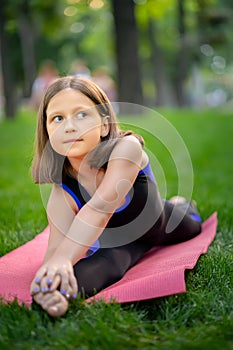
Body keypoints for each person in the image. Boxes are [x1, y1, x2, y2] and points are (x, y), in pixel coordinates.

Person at [30, 76, 202, 317]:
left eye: (81, 114)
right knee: (107, 265)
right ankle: (55, 295)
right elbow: (56, 249)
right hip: (122, 242)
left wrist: (62, 259)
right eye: (57, 118)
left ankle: (181, 203)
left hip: (161, 223)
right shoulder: (62, 192)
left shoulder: (126, 148)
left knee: (193, 226)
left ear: (104, 125)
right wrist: (52, 272)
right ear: (47, 131)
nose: (69, 126)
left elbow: (99, 209)